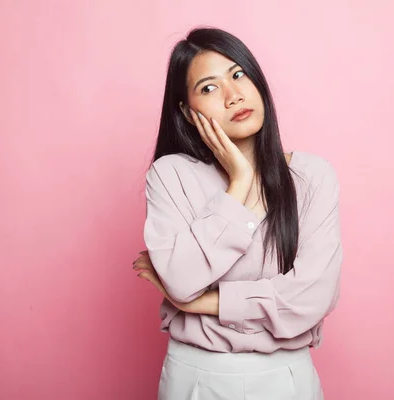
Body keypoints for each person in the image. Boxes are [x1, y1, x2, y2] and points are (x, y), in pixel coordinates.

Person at [132, 26, 343, 400]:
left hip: (287, 376)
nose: (233, 96)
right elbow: (181, 280)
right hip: (197, 376)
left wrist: (200, 303)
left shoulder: (312, 176)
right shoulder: (171, 175)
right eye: (209, 88)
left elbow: (313, 297)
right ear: (186, 110)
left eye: (238, 74)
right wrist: (240, 182)